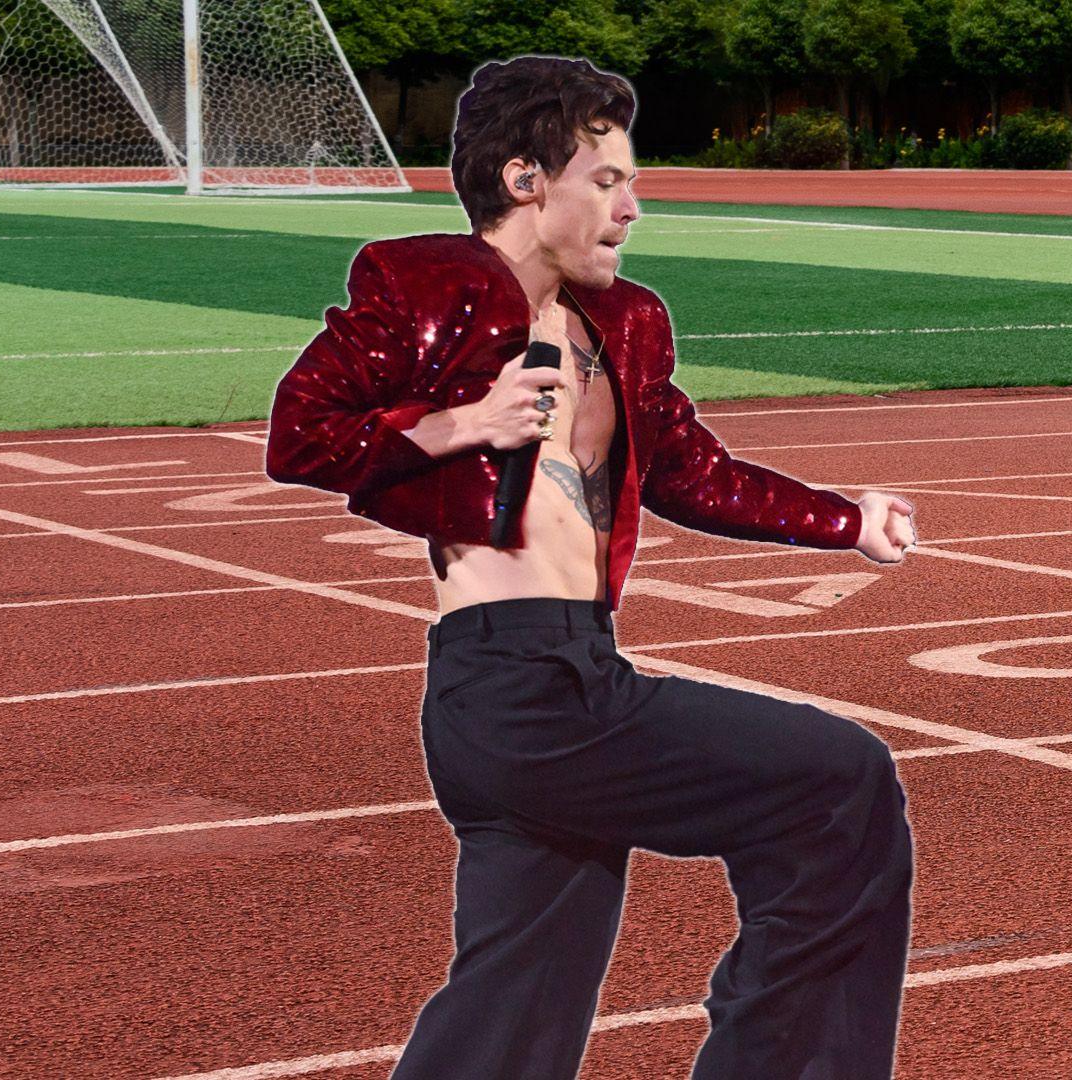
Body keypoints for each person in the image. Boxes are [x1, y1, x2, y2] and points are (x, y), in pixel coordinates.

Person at [265, 54, 919, 1080]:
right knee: (840, 785)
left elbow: (694, 473)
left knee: (514, 1008)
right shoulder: (422, 289)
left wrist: (844, 519)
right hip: (516, 686)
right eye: (607, 180)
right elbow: (300, 434)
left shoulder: (625, 325)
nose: (632, 206)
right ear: (527, 180)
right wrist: (455, 424)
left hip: (563, 677)